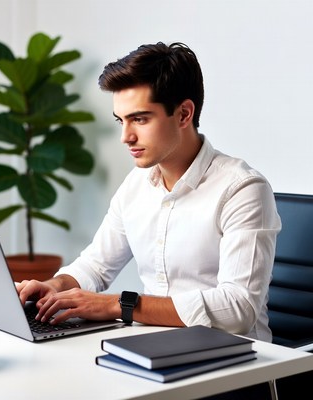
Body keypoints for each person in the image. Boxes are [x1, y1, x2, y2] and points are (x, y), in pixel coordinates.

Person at [17, 41, 281, 398]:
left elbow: (238, 307)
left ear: (184, 114)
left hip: (231, 373)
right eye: (121, 121)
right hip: (152, 357)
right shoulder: (137, 184)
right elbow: (96, 263)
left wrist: (118, 305)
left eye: (140, 119)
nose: (126, 136)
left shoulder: (242, 188)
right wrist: (57, 287)